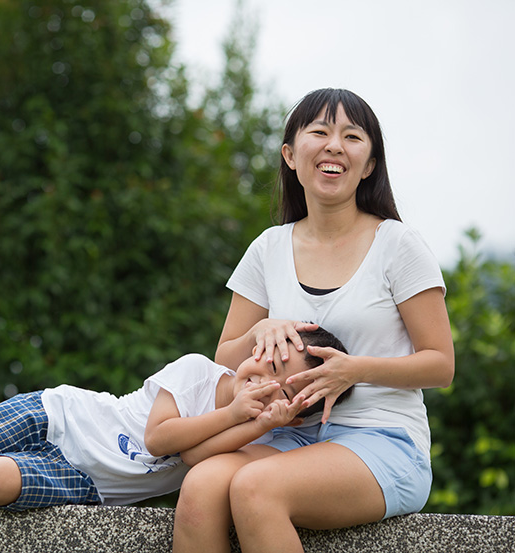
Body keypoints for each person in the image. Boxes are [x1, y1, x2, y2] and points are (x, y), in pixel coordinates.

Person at [171, 88, 455, 553]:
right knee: (200, 487)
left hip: (380, 437)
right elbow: (225, 355)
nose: (335, 146)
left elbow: (440, 364)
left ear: (369, 165)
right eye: (319, 132)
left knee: (255, 488)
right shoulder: (268, 249)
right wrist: (260, 331)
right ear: (290, 154)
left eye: (352, 136)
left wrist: (355, 369)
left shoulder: (399, 245)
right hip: (284, 434)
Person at [0, 329, 350, 510]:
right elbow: (162, 438)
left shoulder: (249, 438)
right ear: (264, 344)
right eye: (277, 359)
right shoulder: (200, 373)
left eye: (287, 389)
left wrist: (252, 424)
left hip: (92, 484)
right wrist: (234, 410)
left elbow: (195, 460)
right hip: (61, 418)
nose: (270, 378)